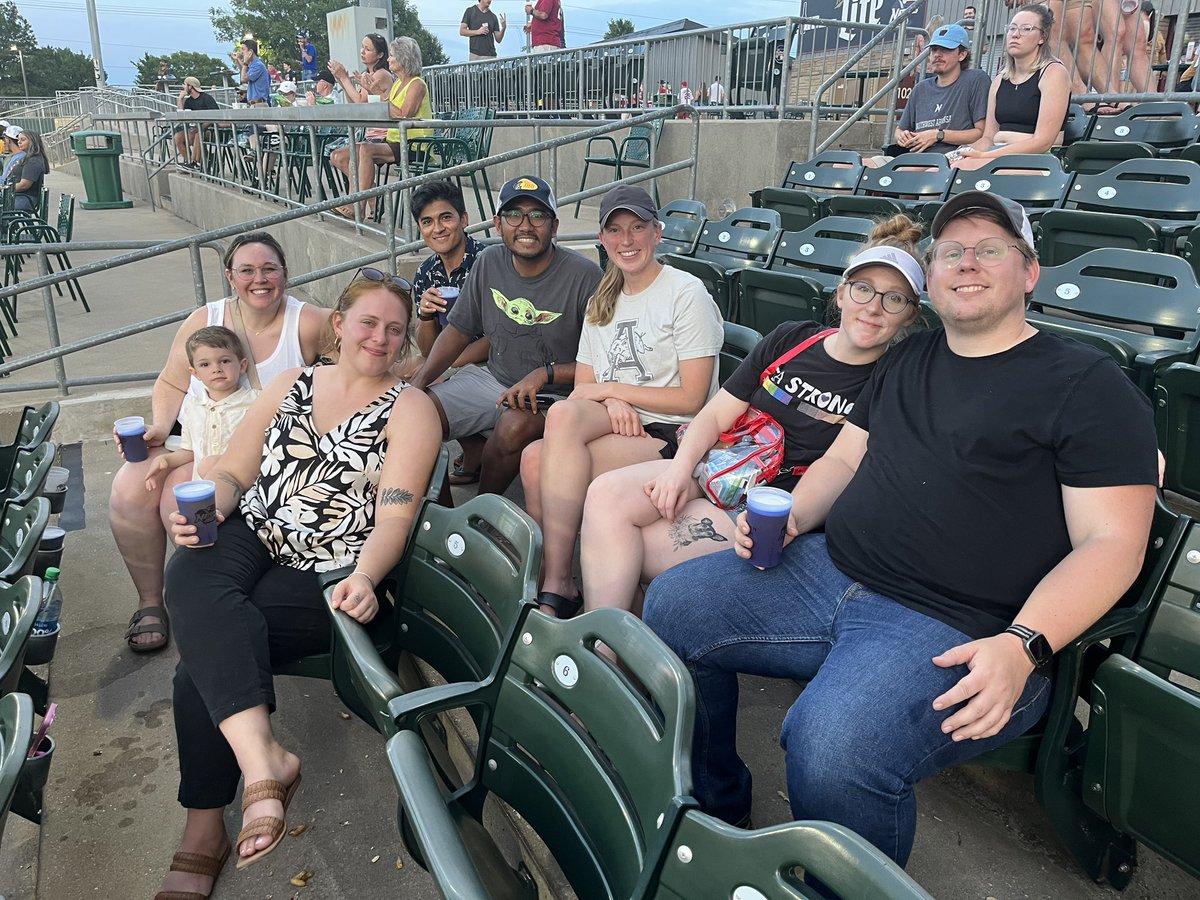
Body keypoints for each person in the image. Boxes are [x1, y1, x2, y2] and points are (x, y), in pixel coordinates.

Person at [642, 191, 1158, 875]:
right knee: (674, 606)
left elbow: (1113, 544)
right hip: (829, 570)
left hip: (962, 628)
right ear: (933, 276)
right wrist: (795, 516)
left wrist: (1024, 646)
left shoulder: (1086, 384)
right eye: (951, 251)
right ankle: (718, 804)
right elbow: (842, 460)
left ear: (1030, 272)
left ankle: (845, 889)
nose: (966, 263)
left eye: (990, 249)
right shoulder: (907, 361)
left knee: (830, 747)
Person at [153, 270, 440, 898]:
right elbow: (236, 468)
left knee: (203, 653)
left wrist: (367, 575)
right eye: (368, 322)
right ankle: (265, 762)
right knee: (193, 566)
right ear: (338, 325)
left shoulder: (411, 408)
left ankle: (203, 827)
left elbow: (395, 512)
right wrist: (209, 505)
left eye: (395, 329)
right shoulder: (290, 383)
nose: (381, 337)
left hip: (332, 570)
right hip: (254, 528)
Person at [582, 215, 922, 620]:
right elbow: (716, 413)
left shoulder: (890, 380)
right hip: (714, 464)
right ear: (842, 293)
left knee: (632, 550)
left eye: (894, 298)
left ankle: (609, 654)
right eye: (863, 290)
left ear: (909, 315)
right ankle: (605, 650)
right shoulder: (792, 337)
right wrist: (678, 469)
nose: (874, 308)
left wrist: (781, 519)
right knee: (604, 496)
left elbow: (841, 465)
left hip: (759, 503)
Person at [109, 232, 329, 653]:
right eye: (247, 270)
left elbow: (357, 349)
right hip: (197, 440)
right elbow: (173, 380)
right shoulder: (205, 318)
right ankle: (151, 601)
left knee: (182, 504)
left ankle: (213, 603)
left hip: (264, 458)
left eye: (269, 269)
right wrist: (158, 428)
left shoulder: (309, 321)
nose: (259, 279)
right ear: (230, 276)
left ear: (286, 274)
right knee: (129, 485)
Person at [519, 186, 722, 617]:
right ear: (602, 238)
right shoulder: (602, 301)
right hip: (622, 426)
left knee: (546, 453)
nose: (626, 240)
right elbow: (583, 394)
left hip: (677, 433)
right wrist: (609, 401)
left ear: (658, 233)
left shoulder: (685, 292)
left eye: (637, 228)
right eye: (615, 230)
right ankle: (564, 582)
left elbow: (693, 398)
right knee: (538, 453)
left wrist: (609, 391)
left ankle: (560, 589)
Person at [409, 175, 602, 496]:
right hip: (494, 381)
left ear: (554, 226)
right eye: (514, 215)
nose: (525, 225)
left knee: (513, 425)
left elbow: (604, 363)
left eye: (538, 216)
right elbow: (459, 329)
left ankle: (483, 512)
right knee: (416, 413)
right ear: (498, 224)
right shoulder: (490, 261)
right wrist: (418, 383)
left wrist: (545, 374)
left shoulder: (585, 276)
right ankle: (443, 518)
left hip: (560, 394)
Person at [408, 180, 489, 434]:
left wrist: (445, 364)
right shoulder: (426, 272)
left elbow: (500, 337)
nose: (438, 229)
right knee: (390, 374)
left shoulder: (488, 263)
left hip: (489, 363)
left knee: (423, 394)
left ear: (463, 219)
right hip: (449, 357)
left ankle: (471, 454)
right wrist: (425, 315)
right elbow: (426, 348)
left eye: (446, 218)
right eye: (427, 222)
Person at [952, 4, 1069, 170]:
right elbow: (988, 138)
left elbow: (1043, 142)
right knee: (939, 171)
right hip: (996, 154)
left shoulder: (1054, 73)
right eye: (1012, 28)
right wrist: (958, 154)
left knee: (964, 172)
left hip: (1038, 160)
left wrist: (984, 156)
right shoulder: (1000, 80)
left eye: (1026, 29)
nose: (1016, 34)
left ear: (1042, 37)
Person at [331, 36, 430, 221]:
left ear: (403, 58)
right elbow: (388, 109)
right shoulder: (398, 84)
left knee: (366, 150)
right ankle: (370, 195)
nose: (389, 59)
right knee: (344, 154)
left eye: (392, 56)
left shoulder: (417, 84)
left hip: (415, 145)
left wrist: (379, 94)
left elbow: (404, 114)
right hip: (393, 141)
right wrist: (375, 93)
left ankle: (357, 206)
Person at [145, 326, 258, 487]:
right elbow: (190, 452)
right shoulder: (193, 407)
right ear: (195, 373)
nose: (216, 369)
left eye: (224, 361)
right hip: (204, 492)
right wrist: (165, 460)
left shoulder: (257, 402)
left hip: (246, 491)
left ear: (242, 365)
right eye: (205, 365)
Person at [885, 24, 991, 156]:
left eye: (945, 49)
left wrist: (937, 135)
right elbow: (899, 130)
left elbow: (982, 133)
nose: (937, 55)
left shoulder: (975, 80)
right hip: (913, 157)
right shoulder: (921, 89)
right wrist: (903, 136)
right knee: (858, 164)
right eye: (934, 50)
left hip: (950, 161)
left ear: (962, 54)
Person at [174, 76, 219, 171]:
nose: (183, 87)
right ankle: (190, 162)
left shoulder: (207, 98)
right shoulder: (189, 101)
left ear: (190, 86)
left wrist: (200, 127)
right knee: (178, 137)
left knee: (198, 135)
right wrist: (180, 99)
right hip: (195, 129)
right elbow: (182, 118)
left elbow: (215, 117)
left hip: (211, 130)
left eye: (185, 85)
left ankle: (196, 163)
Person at [7, 129, 47, 213]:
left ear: (32, 141)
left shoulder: (33, 161)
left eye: (23, 140)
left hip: (25, 199)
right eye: (18, 140)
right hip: (18, 197)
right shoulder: (28, 158)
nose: (19, 142)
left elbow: (24, 185)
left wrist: (5, 189)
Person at [236, 39, 271, 107]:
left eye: (243, 49)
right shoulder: (253, 65)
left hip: (259, 104)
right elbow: (244, 70)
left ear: (250, 51)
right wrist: (237, 59)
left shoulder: (258, 65)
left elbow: (243, 78)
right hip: (255, 104)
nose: (241, 52)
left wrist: (245, 62)